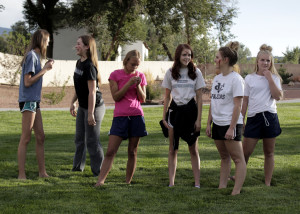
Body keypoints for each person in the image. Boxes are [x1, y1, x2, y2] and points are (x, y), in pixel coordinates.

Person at [95, 50, 147, 186]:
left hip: (136, 116)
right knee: (111, 151)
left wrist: (137, 86)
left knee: (132, 151)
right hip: (120, 117)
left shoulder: (141, 76)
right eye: (132, 64)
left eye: (137, 65)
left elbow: (143, 98)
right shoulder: (115, 75)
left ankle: (127, 182)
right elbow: (116, 97)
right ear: (126, 61)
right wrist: (129, 83)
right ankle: (100, 181)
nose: (135, 67)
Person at [161, 44, 205, 188]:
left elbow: (200, 98)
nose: (187, 58)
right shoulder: (170, 72)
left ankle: (197, 183)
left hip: (190, 112)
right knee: (173, 149)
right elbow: (167, 97)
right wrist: (164, 117)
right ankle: (171, 183)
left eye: (189, 55)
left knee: (193, 149)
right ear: (178, 56)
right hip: (175, 113)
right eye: (184, 55)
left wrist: (198, 120)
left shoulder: (196, 72)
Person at [206, 41, 246, 195]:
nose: (215, 60)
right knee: (224, 157)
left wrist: (231, 128)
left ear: (225, 60)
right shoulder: (217, 79)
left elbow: (238, 106)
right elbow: (213, 102)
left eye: (217, 57)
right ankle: (222, 186)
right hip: (217, 123)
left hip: (230, 124)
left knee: (238, 159)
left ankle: (236, 191)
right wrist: (209, 123)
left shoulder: (236, 79)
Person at [242, 44, 282, 186]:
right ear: (257, 61)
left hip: (270, 117)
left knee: (269, 153)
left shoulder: (275, 78)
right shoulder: (249, 78)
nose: (265, 63)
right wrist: (241, 118)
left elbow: (277, 96)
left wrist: (269, 78)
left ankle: (267, 182)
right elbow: (245, 100)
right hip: (253, 118)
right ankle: (239, 176)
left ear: (271, 62)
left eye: (268, 61)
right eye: (262, 60)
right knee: (245, 152)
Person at [18, 29, 54, 179]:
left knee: (40, 137)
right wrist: (45, 69)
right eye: (47, 41)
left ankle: (42, 173)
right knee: (26, 138)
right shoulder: (32, 56)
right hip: (28, 101)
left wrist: (44, 66)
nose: (48, 44)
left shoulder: (35, 57)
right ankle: (21, 174)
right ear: (42, 41)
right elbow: (27, 82)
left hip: (34, 101)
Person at [70, 35, 105, 177]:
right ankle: (78, 167)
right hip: (84, 106)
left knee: (91, 140)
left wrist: (90, 114)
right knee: (79, 138)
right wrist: (73, 101)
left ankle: (99, 171)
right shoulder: (79, 63)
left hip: (94, 107)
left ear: (86, 47)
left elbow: (91, 92)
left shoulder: (90, 66)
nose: (76, 46)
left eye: (78, 44)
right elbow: (79, 87)